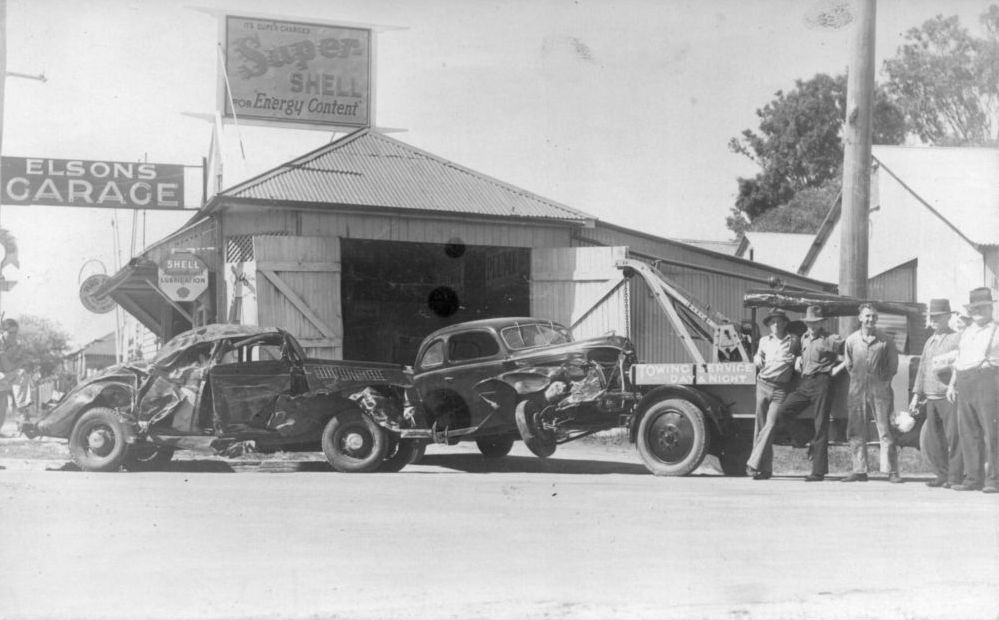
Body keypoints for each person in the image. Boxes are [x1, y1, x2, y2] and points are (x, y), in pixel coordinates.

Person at [769, 305, 844, 482]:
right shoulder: (803, 338)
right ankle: (807, 439)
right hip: (805, 383)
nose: (812, 325)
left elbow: (849, 354)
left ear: (822, 323)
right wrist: (798, 362)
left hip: (823, 382)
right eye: (809, 322)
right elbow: (799, 356)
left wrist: (835, 370)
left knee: (821, 425)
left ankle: (818, 472)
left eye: (815, 322)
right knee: (783, 411)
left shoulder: (830, 339)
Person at [946, 287, 999, 494]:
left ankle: (994, 479)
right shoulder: (966, 332)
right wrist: (952, 384)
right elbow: (958, 361)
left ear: (990, 307)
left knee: (992, 431)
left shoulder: (997, 329)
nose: (978, 311)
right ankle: (972, 478)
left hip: (988, 380)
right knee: (968, 432)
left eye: (982, 307)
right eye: (974, 308)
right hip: (964, 381)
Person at [843, 303, 900, 482]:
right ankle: (859, 470)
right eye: (867, 316)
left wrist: (882, 383)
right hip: (857, 390)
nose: (871, 320)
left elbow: (893, 366)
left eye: (874, 316)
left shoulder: (885, 340)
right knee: (856, 430)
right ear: (860, 318)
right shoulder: (851, 340)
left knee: (885, 429)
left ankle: (891, 471)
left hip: (880, 390)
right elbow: (849, 364)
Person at [910, 299, 962, 488]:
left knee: (953, 437)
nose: (934, 320)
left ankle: (955, 477)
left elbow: (960, 363)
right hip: (930, 397)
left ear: (948, 317)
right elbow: (922, 369)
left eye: (938, 317)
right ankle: (942, 474)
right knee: (935, 439)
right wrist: (916, 395)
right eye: (932, 317)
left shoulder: (956, 338)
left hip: (947, 395)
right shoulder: (929, 341)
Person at [744, 308, 799, 480]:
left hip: (780, 389)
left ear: (785, 323)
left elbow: (801, 355)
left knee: (771, 424)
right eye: (773, 322)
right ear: (769, 325)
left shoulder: (794, 340)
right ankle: (765, 470)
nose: (776, 324)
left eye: (779, 321)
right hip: (763, 384)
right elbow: (757, 357)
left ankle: (753, 463)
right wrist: (756, 358)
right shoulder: (763, 341)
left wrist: (797, 359)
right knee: (760, 427)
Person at [0, 318, 21, 436]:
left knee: (3, 406)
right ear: (4, 331)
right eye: (11, 332)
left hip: (5, 377)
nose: (13, 335)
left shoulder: (16, 344)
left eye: (15, 333)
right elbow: (6, 365)